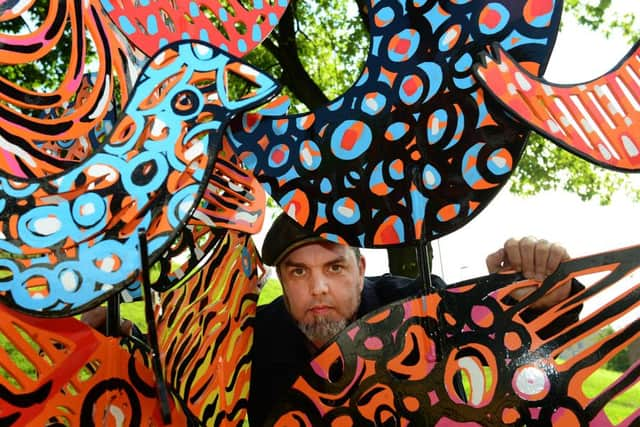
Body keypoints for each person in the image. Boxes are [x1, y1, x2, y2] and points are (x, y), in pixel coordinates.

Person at [249, 213, 580, 426]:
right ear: (282, 279)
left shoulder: (419, 306)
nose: (318, 288)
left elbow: (509, 355)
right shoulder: (250, 338)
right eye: (298, 271)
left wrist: (540, 302)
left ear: (361, 271)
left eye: (335, 268)